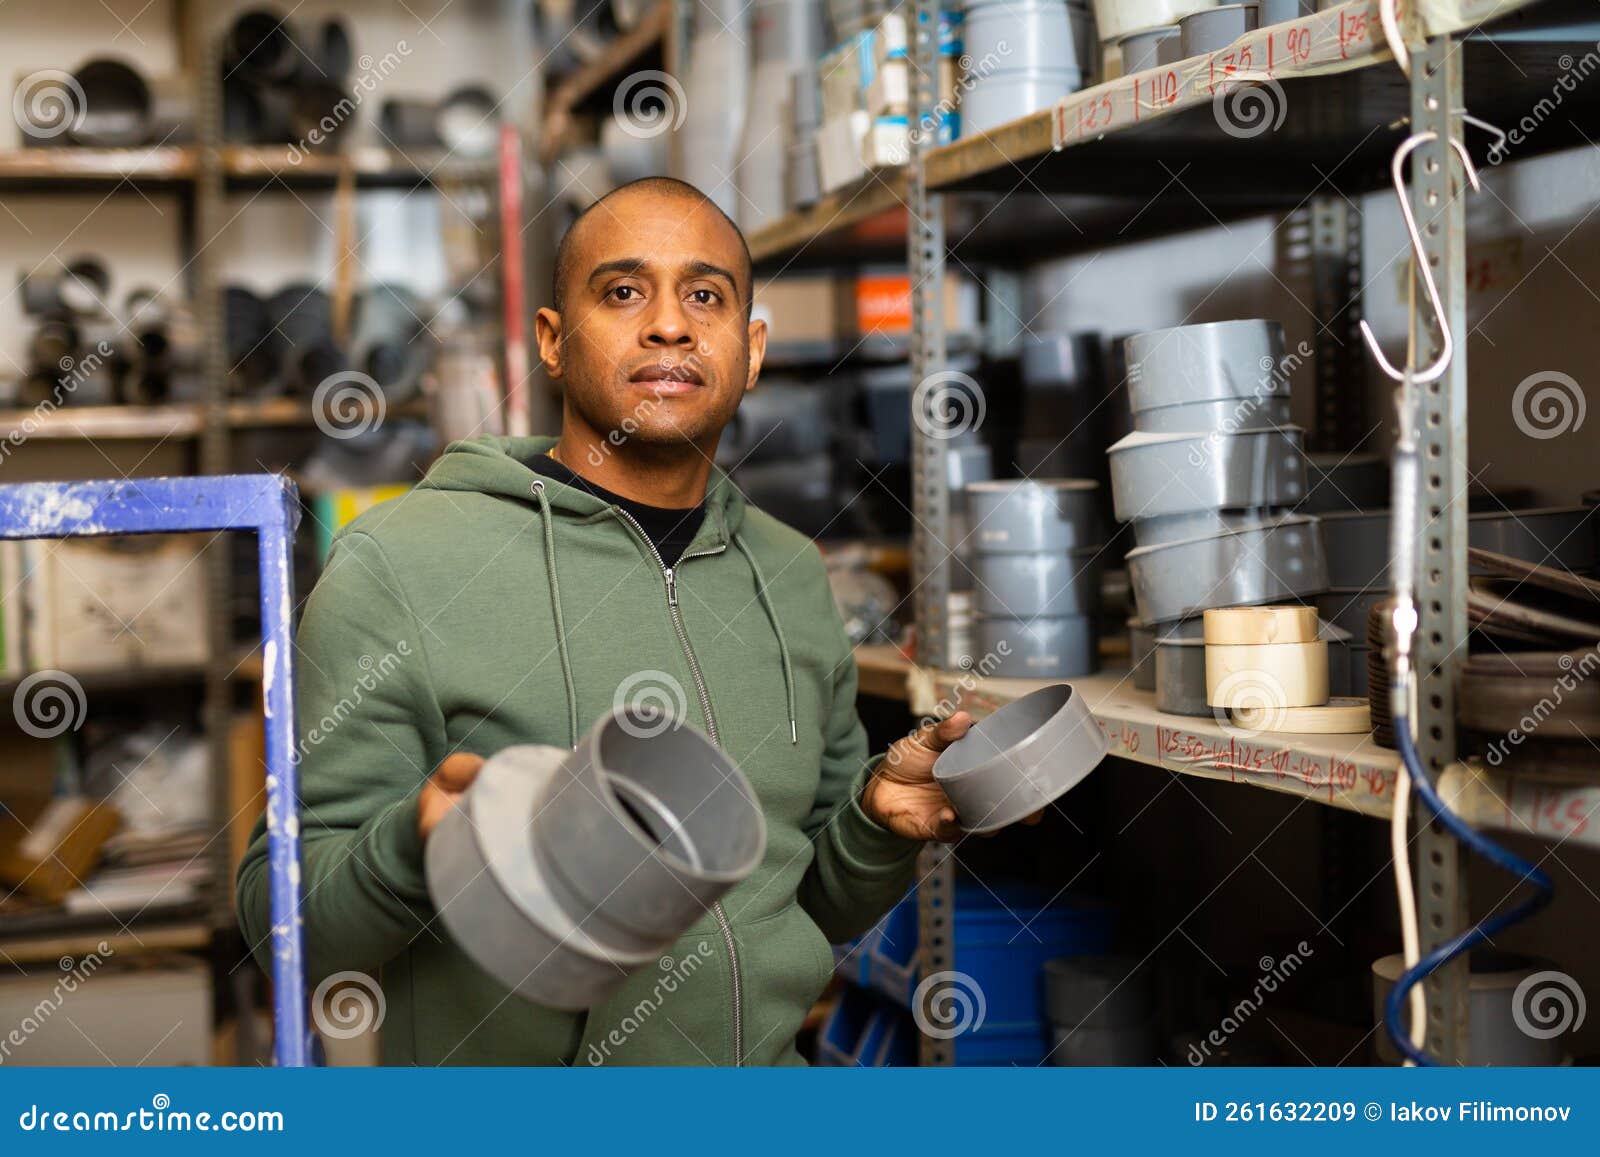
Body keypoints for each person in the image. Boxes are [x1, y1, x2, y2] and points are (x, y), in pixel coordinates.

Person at [237, 176, 977, 1066]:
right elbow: (280, 923)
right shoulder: (402, 563)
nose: (669, 324)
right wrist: (413, 846)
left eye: (705, 295)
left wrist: (876, 828)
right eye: (623, 292)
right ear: (552, 341)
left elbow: (805, 902)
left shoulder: (790, 573)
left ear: (751, 349)